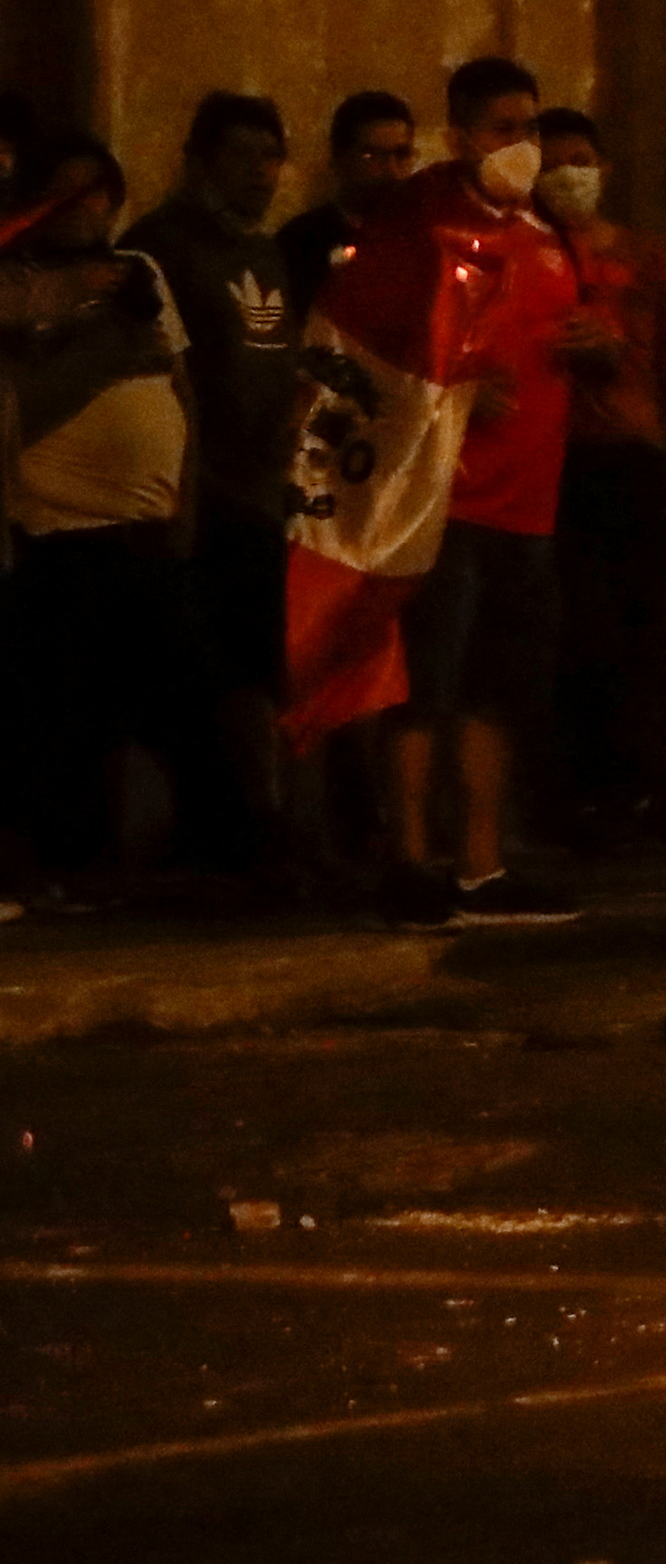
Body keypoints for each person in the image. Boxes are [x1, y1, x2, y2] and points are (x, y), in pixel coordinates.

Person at [333, 59, 586, 925]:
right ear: (461, 134)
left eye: (531, 127)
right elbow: (362, 335)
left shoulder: (544, 226)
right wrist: (459, 378)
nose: (522, 146)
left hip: (528, 501)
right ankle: (409, 858)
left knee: (498, 689)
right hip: (440, 500)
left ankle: (482, 863)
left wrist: (594, 344)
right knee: (422, 684)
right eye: (502, 128)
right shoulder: (418, 219)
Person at [1, 140, 257, 888]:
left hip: (148, 532)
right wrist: (89, 343)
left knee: (194, 697)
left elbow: (177, 387)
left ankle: (224, 852)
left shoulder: (140, 274)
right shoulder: (17, 284)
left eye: (98, 194)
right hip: (62, 535)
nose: (85, 211)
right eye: (66, 195)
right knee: (68, 711)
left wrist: (185, 501)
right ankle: (69, 864)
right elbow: (21, 410)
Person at [129, 94, 311, 870]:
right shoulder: (162, 249)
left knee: (268, 661)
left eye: (270, 157)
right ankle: (236, 825)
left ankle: (267, 824)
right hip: (208, 492)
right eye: (241, 156)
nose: (259, 174)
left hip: (272, 488)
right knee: (221, 669)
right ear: (200, 160)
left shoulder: (264, 252)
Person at [531, 111, 666, 859]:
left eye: (583, 159)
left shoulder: (646, 258)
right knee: (579, 636)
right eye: (555, 162)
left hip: (636, 463)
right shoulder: (527, 253)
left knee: (646, 636)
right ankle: (581, 799)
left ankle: (646, 797)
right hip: (554, 467)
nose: (572, 174)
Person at [284, 89, 418, 321]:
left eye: (401, 155)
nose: (391, 171)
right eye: (371, 156)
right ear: (340, 160)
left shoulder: (423, 238)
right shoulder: (301, 243)